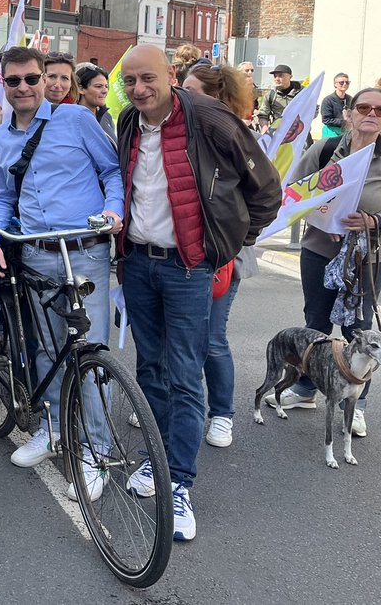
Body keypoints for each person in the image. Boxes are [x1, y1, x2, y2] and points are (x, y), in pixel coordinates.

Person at [116, 45, 280, 542]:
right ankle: (155, 458)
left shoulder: (210, 117)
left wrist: (226, 245)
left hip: (189, 269)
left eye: (148, 79)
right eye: (130, 81)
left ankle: (180, 483)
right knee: (151, 369)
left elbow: (266, 191)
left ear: (170, 75)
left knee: (186, 374)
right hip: (139, 264)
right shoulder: (128, 120)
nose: (139, 89)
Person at [0, 47, 123, 498]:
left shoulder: (77, 120)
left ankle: (96, 450)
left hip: (84, 251)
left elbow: (112, 171)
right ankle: (52, 428)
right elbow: (3, 196)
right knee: (46, 350)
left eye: (30, 79)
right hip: (36, 254)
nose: (23, 88)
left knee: (90, 353)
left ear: (45, 79)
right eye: (13, 81)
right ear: (2, 84)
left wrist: (112, 211)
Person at [270, 86, 381, 434]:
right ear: (349, 113)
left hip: (369, 256)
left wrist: (374, 221)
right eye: (363, 107)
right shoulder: (326, 149)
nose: (371, 114)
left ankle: (356, 402)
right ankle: (305, 389)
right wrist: (320, 219)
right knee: (316, 322)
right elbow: (293, 192)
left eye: (380, 110)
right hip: (319, 251)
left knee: (358, 328)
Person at [182, 64, 260, 449]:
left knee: (211, 339)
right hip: (185, 255)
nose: (183, 97)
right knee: (179, 338)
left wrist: (237, 239)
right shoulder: (180, 130)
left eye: (192, 91)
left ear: (216, 98)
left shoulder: (234, 136)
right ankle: (181, 403)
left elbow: (262, 193)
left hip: (223, 257)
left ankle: (222, 413)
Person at [256, 64, 302, 132]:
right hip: (279, 133)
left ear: (290, 76)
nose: (277, 79)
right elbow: (263, 115)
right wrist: (264, 127)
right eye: (275, 76)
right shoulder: (271, 94)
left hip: (299, 132)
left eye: (280, 75)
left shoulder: (302, 92)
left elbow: (313, 109)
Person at [76, 64, 116, 143]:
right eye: (98, 86)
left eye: (106, 86)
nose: (105, 91)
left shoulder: (106, 117)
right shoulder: (70, 118)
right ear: (81, 89)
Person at [321, 73, 352, 138]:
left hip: (346, 132)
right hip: (331, 133)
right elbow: (326, 120)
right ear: (335, 84)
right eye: (341, 82)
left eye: (347, 82)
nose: (345, 84)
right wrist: (344, 122)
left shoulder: (350, 99)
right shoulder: (328, 100)